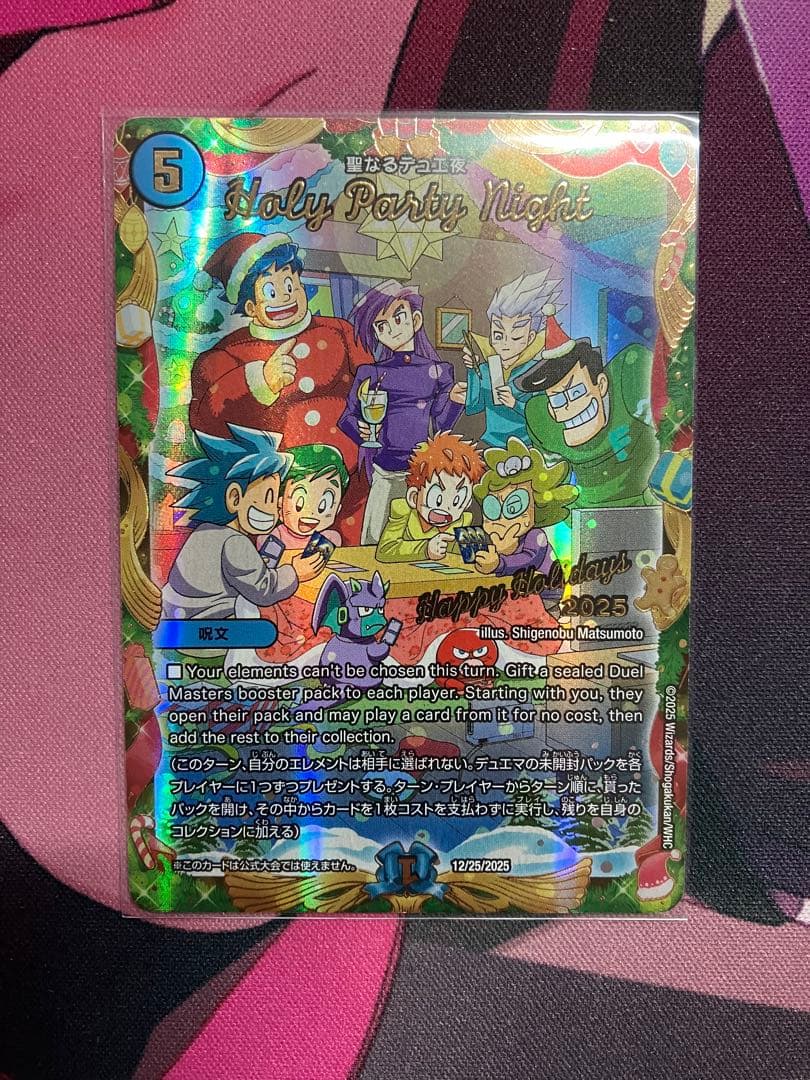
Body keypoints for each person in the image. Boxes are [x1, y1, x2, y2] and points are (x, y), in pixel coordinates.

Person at [188, 233, 374, 543]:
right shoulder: (227, 354)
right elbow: (206, 416)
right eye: (271, 291)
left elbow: (374, 380)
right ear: (250, 306)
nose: (285, 297)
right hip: (275, 503)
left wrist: (370, 413)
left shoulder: (339, 331)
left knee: (347, 555)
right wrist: (259, 380)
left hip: (348, 491)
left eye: (290, 284)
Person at [339, 281, 462, 544]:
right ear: (376, 332)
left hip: (424, 474)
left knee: (421, 540)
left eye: (398, 318)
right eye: (382, 325)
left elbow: (442, 424)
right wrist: (360, 431)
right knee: (375, 540)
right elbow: (346, 417)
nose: (392, 329)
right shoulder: (370, 373)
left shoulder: (437, 371)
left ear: (415, 321)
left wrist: (454, 401)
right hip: (385, 469)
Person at [161, 425, 324, 621]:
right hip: (208, 625)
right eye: (269, 497)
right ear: (235, 498)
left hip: (175, 616)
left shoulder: (204, 530)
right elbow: (264, 591)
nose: (274, 510)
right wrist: (295, 572)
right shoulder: (234, 542)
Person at [518, 314, 659, 507]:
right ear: (551, 408)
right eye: (558, 399)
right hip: (583, 512)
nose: (568, 405)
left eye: (576, 391)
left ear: (601, 385)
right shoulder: (540, 418)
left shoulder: (629, 378)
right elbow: (550, 481)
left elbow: (668, 432)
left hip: (643, 503)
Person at [449, 271, 560, 447]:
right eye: (498, 336)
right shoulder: (487, 368)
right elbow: (475, 405)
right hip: (490, 443)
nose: (505, 344)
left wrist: (515, 404)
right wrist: (472, 371)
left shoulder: (537, 371)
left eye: (516, 337)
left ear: (531, 337)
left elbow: (544, 415)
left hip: (527, 445)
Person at [472, 437, 576, 576]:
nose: (501, 518)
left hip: (545, 588)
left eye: (513, 508)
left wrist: (499, 564)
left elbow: (529, 561)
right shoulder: (491, 538)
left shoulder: (536, 536)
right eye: (492, 508)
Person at [376, 431, 484, 563]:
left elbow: (474, 558)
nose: (447, 508)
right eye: (437, 499)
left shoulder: (462, 520)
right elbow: (385, 550)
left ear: (466, 503)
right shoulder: (403, 512)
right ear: (414, 497)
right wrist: (425, 549)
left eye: (457, 501)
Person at [275, 443, 348, 550]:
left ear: (337, 510)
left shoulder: (329, 538)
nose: (310, 513)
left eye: (323, 505)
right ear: (280, 505)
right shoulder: (277, 536)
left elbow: (323, 559)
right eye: (299, 503)